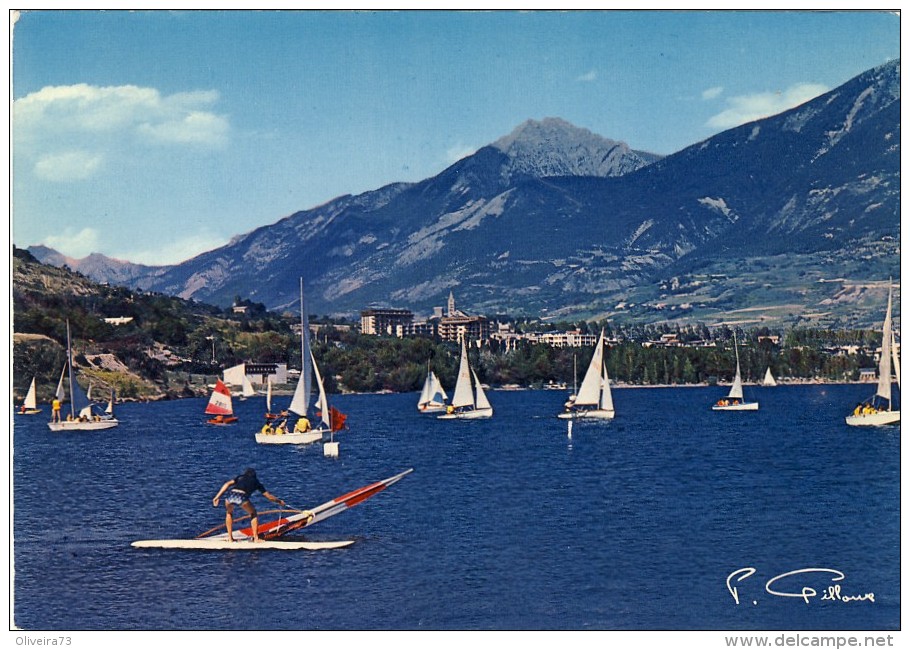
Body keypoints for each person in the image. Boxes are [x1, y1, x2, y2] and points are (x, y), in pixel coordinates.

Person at [212, 468, 285, 542]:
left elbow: (227, 484)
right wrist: (279, 501)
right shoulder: (256, 482)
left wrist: (217, 497)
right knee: (253, 513)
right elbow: (268, 496)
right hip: (241, 496)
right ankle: (256, 538)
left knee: (229, 513)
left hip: (230, 494)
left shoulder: (240, 477)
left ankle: (230, 538)